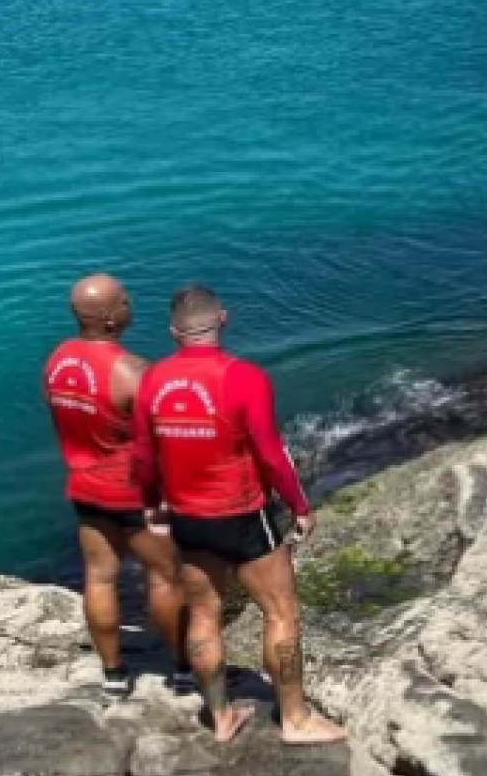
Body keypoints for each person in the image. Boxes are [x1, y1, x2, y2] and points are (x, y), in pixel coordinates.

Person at [132, 287, 347, 744]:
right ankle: (295, 718)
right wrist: (300, 507)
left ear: (174, 332)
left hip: (187, 516)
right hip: (245, 514)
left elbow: (145, 457)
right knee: (282, 613)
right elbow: (271, 454)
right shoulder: (245, 377)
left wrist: (153, 506)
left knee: (205, 614)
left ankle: (221, 717)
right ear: (223, 319)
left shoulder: (152, 381)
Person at [42, 274, 187, 699]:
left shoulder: (58, 360)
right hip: (133, 492)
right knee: (164, 576)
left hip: (85, 486)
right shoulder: (131, 370)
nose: (130, 304)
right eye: (124, 300)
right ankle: (181, 668)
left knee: (100, 578)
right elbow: (166, 435)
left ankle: (114, 674)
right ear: (109, 318)